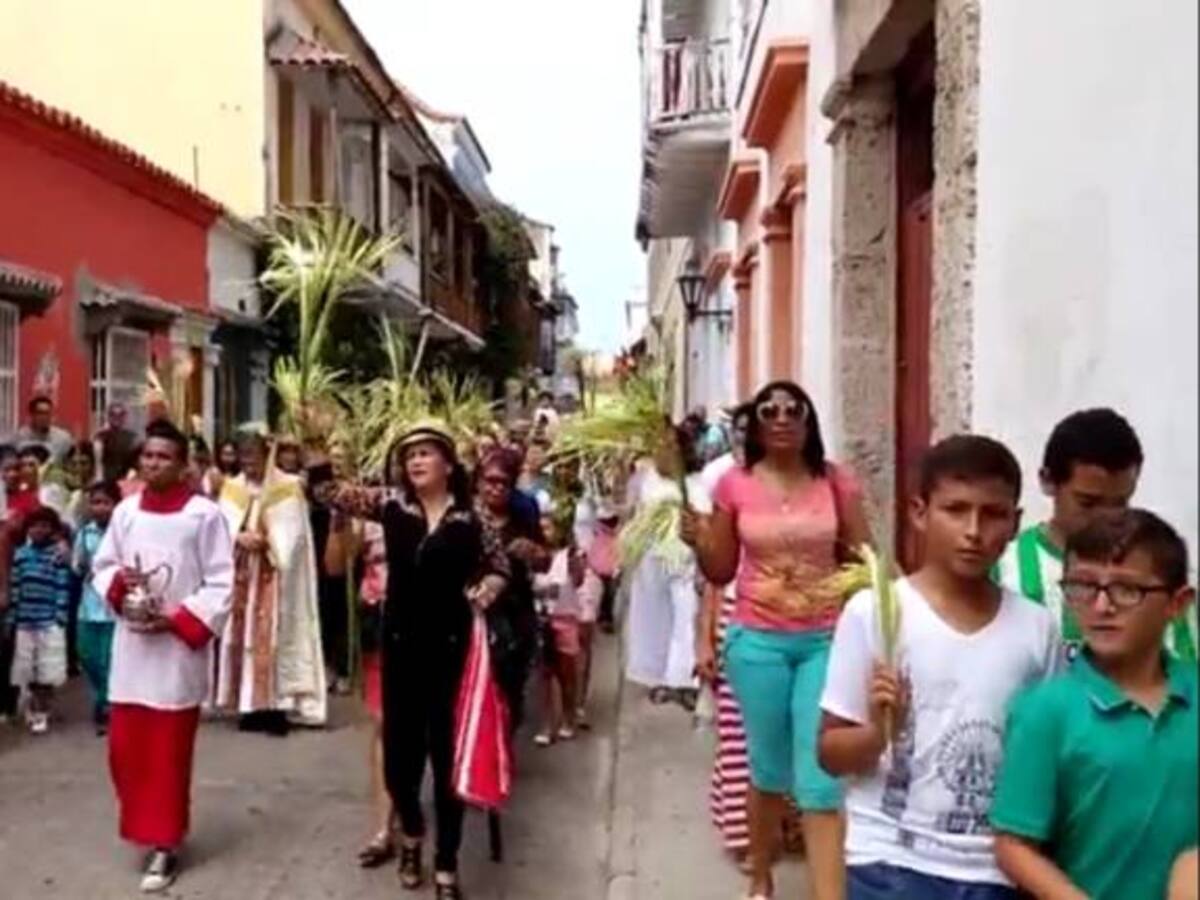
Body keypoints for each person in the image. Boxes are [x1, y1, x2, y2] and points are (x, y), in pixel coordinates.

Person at [818, 434, 1060, 900]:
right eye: (955, 510)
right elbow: (829, 753)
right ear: (919, 512)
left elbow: (1047, 754)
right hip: (890, 860)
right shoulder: (878, 613)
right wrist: (878, 734)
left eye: (993, 514)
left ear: (1015, 523)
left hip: (995, 867)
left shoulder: (1036, 628)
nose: (973, 530)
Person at [682, 381, 872, 900]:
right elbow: (721, 569)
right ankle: (761, 875)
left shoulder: (835, 482)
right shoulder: (735, 485)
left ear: (809, 421)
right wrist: (699, 541)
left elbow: (864, 558)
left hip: (824, 642)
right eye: (770, 411)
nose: (783, 418)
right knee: (767, 771)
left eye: (794, 410)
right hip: (757, 644)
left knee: (820, 778)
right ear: (758, 425)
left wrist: (878, 617)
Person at [309, 419, 509, 900]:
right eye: (409, 455)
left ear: (448, 463)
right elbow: (327, 493)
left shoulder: (472, 518)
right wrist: (317, 448)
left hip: (452, 652)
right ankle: (413, 834)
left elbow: (500, 565)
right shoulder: (391, 506)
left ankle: (446, 866)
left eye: (425, 452)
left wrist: (490, 586)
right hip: (400, 651)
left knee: (447, 763)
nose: (415, 461)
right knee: (400, 765)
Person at [991, 509, 1197, 900]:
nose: (1101, 606)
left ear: (1177, 603)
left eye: (1126, 590)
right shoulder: (1046, 710)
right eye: (1083, 587)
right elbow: (1014, 846)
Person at [90, 419, 234, 893]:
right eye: (148, 456)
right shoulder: (127, 511)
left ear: (183, 464)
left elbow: (221, 581)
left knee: (167, 755)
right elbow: (103, 564)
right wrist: (122, 587)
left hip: (174, 656)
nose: (153, 464)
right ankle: (144, 827)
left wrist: (177, 618)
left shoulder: (203, 515)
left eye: (164, 457)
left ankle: (166, 843)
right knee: (125, 750)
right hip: (132, 649)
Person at [994, 407, 1195, 661]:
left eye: (1120, 503)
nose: (1105, 518)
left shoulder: (1158, 573)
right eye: (1088, 503)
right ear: (1047, 481)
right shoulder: (1003, 569)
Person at [213, 431, 326, 733]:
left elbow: (296, 535)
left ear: (267, 454)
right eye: (243, 456)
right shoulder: (232, 488)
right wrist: (238, 536)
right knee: (243, 637)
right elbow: (219, 527)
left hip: (275, 576)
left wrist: (271, 541)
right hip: (242, 573)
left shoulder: (287, 487)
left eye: (254, 456)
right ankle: (248, 705)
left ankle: (277, 705)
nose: (248, 463)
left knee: (275, 636)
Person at [694, 403, 753, 862]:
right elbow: (716, 573)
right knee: (737, 736)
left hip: (792, 623)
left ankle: (765, 823)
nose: (745, 439)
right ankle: (743, 835)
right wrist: (706, 637)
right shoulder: (725, 484)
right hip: (736, 616)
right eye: (740, 431)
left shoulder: (804, 486)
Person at [627, 426, 707, 709]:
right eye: (659, 445)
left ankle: (685, 680)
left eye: (670, 445)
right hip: (652, 557)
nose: (663, 451)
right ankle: (658, 676)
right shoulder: (646, 479)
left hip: (685, 559)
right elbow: (632, 512)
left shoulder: (697, 482)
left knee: (687, 615)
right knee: (655, 618)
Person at [473, 446, 549, 732]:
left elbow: (545, 561)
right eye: (489, 481)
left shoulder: (523, 513)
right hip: (475, 611)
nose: (495, 488)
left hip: (515, 612)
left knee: (510, 688)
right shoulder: (465, 515)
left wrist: (533, 552)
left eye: (503, 482)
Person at [6, 505, 72, 734]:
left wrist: (60, 616)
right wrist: (12, 618)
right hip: (25, 622)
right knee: (27, 669)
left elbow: (62, 586)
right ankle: (32, 706)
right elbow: (15, 587)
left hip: (49, 621)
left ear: (52, 529)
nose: (39, 530)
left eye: (44, 526)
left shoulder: (57, 555)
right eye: (34, 526)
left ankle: (42, 710)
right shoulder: (21, 555)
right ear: (27, 529)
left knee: (47, 670)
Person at [73, 480, 121, 735]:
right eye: (95, 503)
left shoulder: (122, 532)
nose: (100, 508)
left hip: (114, 608)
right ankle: (106, 698)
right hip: (89, 605)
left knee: (109, 660)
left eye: (105, 503)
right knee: (88, 657)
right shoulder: (85, 533)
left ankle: (106, 706)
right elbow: (76, 566)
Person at [532, 514, 584, 745]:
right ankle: (546, 724)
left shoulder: (568, 556)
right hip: (541, 620)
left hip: (565, 619)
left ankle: (569, 717)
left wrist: (575, 562)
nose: (545, 532)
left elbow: (578, 580)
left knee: (566, 675)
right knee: (544, 675)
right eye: (541, 528)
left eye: (549, 527)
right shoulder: (533, 555)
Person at [14, 395, 73, 465]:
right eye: (40, 413)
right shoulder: (18, 438)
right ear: (31, 414)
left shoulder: (63, 438)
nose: (44, 417)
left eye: (48, 413)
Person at [94, 402, 139, 482]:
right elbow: (98, 461)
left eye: (120, 415)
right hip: (106, 479)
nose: (116, 418)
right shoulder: (101, 436)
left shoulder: (132, 437)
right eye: (113, 415)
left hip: (126, 479)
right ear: (108, 417)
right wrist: (99, 477)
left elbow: (135, 461)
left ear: (124, 417)